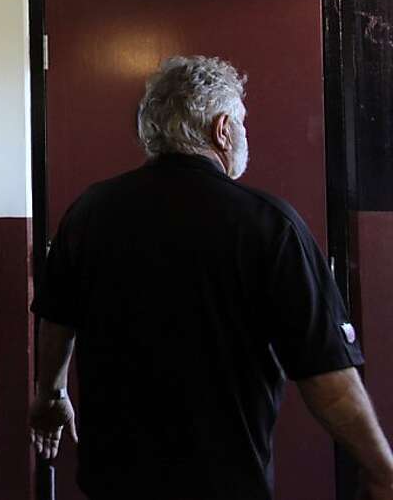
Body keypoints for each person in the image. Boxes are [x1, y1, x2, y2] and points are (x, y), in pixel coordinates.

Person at [29, 55, 393, 500]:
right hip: (225, 483)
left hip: (113, 481)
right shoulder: (269, 225)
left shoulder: (88, 212)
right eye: (241, 123)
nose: (243, 133)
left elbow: (56, 321)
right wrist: (382, 468)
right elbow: (327, 377)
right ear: (222, 129)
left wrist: (51, 395)